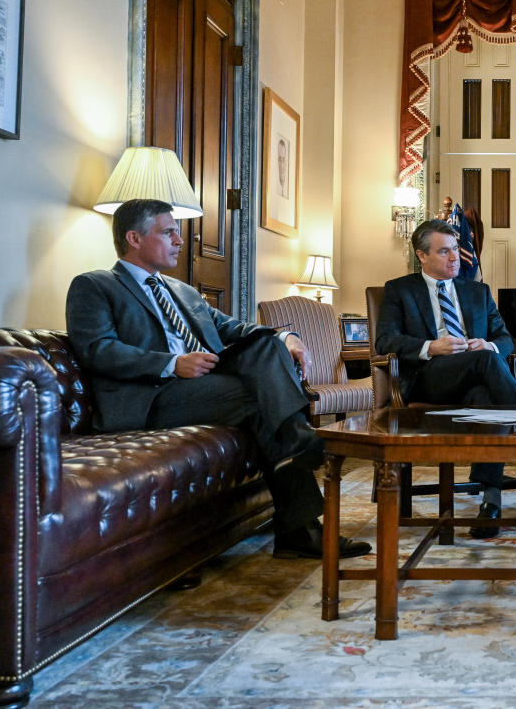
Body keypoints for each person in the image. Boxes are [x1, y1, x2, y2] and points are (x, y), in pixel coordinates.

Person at [66, 198, 370, 561]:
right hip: (154, 396)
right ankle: (301, 460)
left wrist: (285, 338)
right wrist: (172, 363)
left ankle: (299, 515)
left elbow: (234, 329)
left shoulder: (183, 291)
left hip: (207, 385)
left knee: (267, 345)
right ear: (134, 237)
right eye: (168, 232)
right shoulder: (95, 285)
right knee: (259, 397)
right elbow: (97, 349)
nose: (180, 240)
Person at [373, 219, 516, 538]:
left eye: (456, 249)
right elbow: (385, 341)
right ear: (422, 255)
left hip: (476, 377)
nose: (454, 258)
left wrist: (488, 344)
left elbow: (505, 339)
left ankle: (490, 504)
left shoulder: (477, 291)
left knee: (487, 396)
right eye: (444, 251)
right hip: (428, 377)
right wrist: (432, 346)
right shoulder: (400, 290)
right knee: (486, 363)